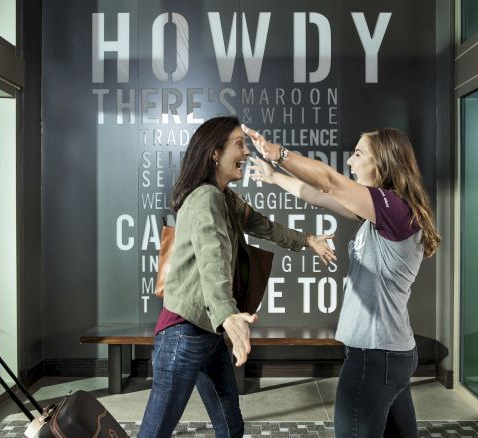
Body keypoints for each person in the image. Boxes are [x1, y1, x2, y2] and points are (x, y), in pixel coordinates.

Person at [138, 116, 335, 438]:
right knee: (155, 432)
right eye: (239, 145)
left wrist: (308, 240)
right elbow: (212, 258)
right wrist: (228, 315)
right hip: (184, 333)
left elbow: (263, 226)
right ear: (215, 153)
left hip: (208, 331)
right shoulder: (206, 197)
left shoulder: (224, 198)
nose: (246, 152)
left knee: (231, 426)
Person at [244, 125, 441, 438]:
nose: (350, 161)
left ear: (383, 163)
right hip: (388, 353)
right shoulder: (384, 212)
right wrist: (274, 177)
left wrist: (279, 154)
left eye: (358, 154)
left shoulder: (394, 210)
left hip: (375, 356)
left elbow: (329, 182)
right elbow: (320, 195)